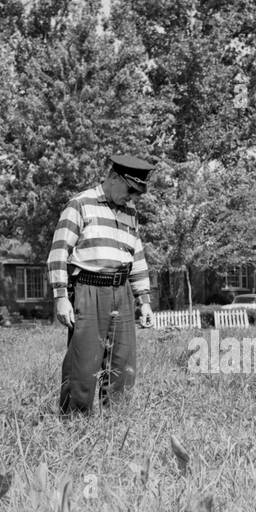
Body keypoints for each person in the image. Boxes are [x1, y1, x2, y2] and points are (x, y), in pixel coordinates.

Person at [48, 154, 156, 413]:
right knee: (83, 364)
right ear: (114, 178)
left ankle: (117, 422)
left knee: (123, 364)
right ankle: (75, 422)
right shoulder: (80, 204)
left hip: (122, 291)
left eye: (137, 193)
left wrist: (144, 301)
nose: (132, 197)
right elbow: (59, 252)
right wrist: (61, 297)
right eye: (130, 190)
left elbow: (136, 256)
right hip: (89, 289)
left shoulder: (130, 212)